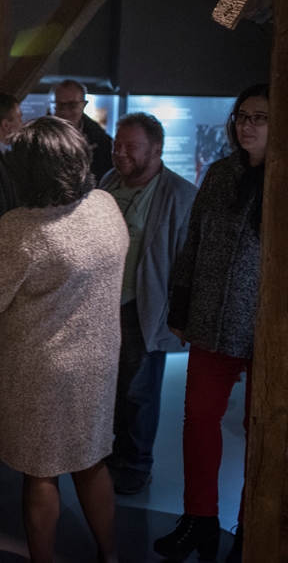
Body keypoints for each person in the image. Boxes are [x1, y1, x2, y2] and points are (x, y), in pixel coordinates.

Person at [0, 117, 127, 563]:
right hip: (98, 360)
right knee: (91, 461)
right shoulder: (105, 205)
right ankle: (110, 554)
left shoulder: (22, 228)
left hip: (40, 369)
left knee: (41, 471)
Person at [153, 84, 270, 563]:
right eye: (242, 116)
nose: (246, 125)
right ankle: (199, 518)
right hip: (212, 320)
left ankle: (251, 527)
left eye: (259, 118)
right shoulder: (222, 173)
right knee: (199, 420)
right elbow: (193, 243)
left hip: (269, 331)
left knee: (261, 429)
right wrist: (180, 308)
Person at [98, 113, 197, 496]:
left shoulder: (180, 195)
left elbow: (189, 262)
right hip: (103, 308)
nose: (120, 153)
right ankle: (115, 454)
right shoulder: (108, 182)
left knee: (139, 392)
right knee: (111, 388)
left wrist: (180, 315)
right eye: (116, 145)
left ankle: (137, 465)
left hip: (144, 308)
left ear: (156, 150)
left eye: (130, 147)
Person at [51, 79, 113, 182]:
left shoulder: (101, 141)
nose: (65, 110)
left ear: (84, 104)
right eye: (60, 105)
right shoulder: (40, 137)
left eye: (72, 105)